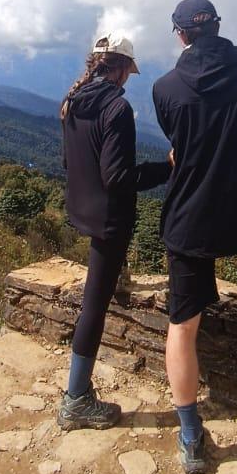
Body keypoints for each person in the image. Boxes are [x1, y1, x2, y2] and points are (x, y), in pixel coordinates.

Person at [152, 0, 237, 474]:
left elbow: (179, 146)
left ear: (181, 34)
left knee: (182, 327)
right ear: (217, 29)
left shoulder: (164, 87)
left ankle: (190, 436)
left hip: (191, 220)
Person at [57, 33, 172, 431]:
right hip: (109, 217)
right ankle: (76, 399)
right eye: (129, 71)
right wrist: (167, 168)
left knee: (103, 281)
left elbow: (71, 160)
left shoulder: (73, 100)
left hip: (81, 206)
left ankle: (120, 276)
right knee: (94, 303)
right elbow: (119, 177)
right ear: (122, 69)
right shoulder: (117, 108)